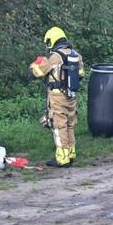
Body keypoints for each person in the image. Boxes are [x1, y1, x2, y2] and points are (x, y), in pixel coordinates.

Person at [30, 27, 83, 168]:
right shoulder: (76, 55)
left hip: (57, 97)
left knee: (59, 127)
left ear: (52, 40)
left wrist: (34, 65)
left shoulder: (55, 57)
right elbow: (81, 74)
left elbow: (39, 72)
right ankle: (71, 154)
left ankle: (62, 159)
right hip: (71, 96)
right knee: (70, 125)